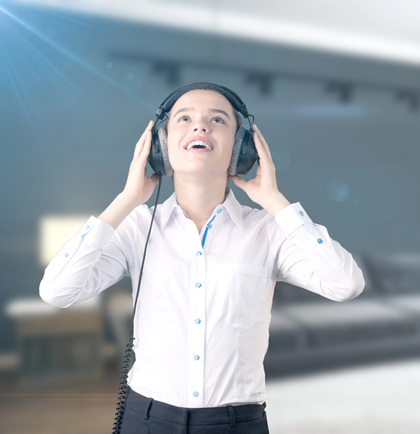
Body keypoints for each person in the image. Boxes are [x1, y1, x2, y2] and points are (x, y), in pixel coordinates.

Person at [39, 82, 365, 433]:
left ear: (241, 149)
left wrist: (274, 200)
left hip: (236, 422)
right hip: (146, 418)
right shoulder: (137, 227)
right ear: (160, 146)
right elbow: (57, 291)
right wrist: (127, 199)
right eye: (185, 118)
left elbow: (345, 285)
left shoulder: (268, 232)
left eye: (218, 120)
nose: (200, 127)